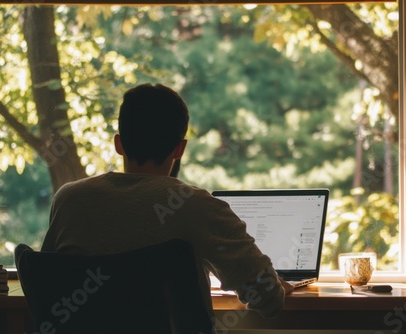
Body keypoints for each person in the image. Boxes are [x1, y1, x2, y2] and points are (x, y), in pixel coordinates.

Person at [41, 83, 292, 321]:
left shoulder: (69, 199)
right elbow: (268, 301)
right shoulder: (197, 206)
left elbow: (48, 286)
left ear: (119, 144)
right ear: (179, 149)